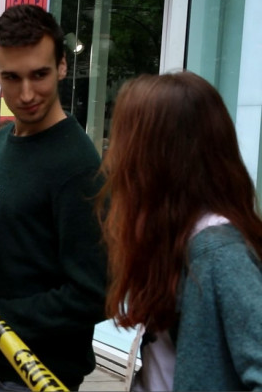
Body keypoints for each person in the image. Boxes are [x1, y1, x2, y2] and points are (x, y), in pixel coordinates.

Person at [0, 4, 107, 391]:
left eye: (39, 75)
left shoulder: (78, 166)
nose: (27, 94)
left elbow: (94, 295)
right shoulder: (3, 141)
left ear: (62, 66)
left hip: (39, 376)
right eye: (12, 77)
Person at [98, 72, 262, 391]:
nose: (115, 160)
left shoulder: (219, 253)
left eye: (126, 144)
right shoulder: (179, 236)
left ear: (157, 162)